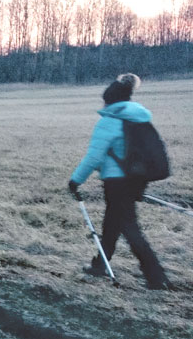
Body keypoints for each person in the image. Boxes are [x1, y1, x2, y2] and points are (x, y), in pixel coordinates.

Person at [68, 73, 171, 290]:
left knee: (129, 228)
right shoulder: (138, 118)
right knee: (112, 224)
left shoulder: (109, 122)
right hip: (135, 179)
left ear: (109, 100)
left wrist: (76, 181)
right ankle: (99, 265)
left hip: (117, 183)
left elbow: (94, 157)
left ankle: (156, 276)